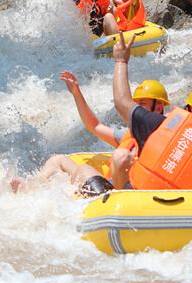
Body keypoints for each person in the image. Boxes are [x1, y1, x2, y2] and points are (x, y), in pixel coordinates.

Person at [112, 33, 192, 197]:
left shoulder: (158, 125)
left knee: (102, 164)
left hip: (136, 201)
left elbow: (122, 101)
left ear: (188, 109)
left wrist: (121, 61)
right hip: (183, 212)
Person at [10, 70, 170, 195]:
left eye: (142, 104)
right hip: (106, 191)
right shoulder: (130, 134)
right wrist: (76, 93)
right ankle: (30, 187)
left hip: (123, 197)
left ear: (158, 107)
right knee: (57, 159)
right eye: (136, 104)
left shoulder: (167, 135)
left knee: (86, 169)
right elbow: (94, 126)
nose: (136, 109)